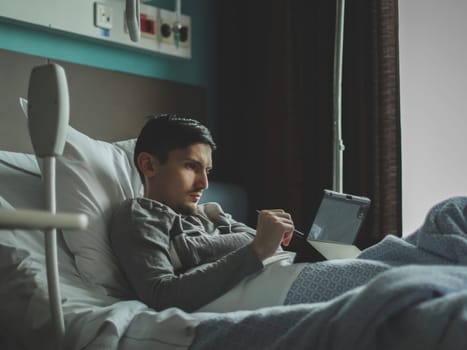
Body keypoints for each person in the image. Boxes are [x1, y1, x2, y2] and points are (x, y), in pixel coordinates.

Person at [110, 114, 295, 312]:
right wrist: (256, 250)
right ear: (149, 165)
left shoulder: (211, 213)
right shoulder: (141, 214)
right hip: (276, 300)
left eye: (207, 170)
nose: (204, 184)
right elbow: (161, 295)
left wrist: (188, 249)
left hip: (288, 281)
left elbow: (259, 239)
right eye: (191, 166)